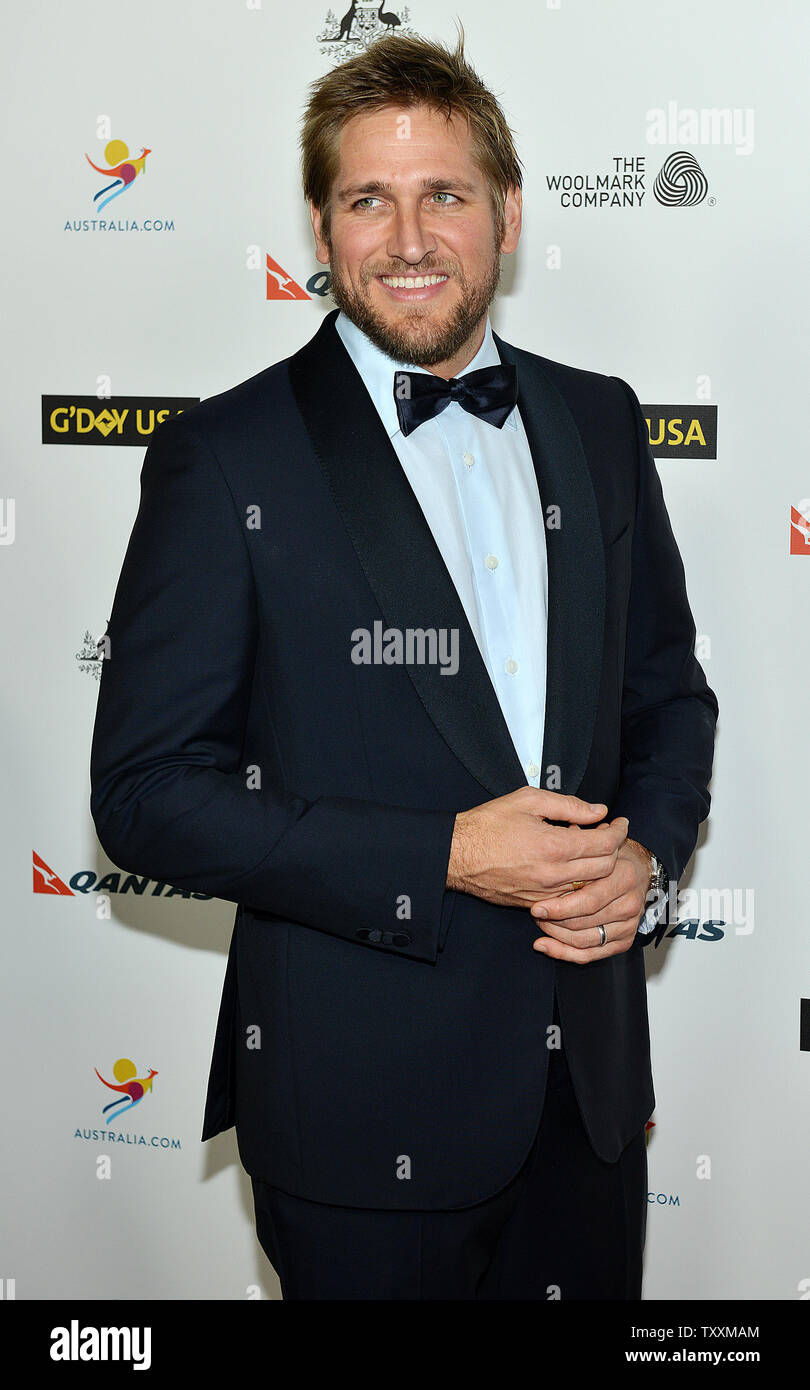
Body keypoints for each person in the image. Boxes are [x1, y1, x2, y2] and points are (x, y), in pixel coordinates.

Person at [90, 29, 718, 1300]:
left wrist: (644, 853)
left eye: (446, 194)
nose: (410, 236)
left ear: (510, 215)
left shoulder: (598, 419)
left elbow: (666, 694)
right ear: (321, 230)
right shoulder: (227, 459)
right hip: (355, 1117)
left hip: (584, 1103)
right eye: (369, 199)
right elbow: (148, 793)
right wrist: (440, 858)